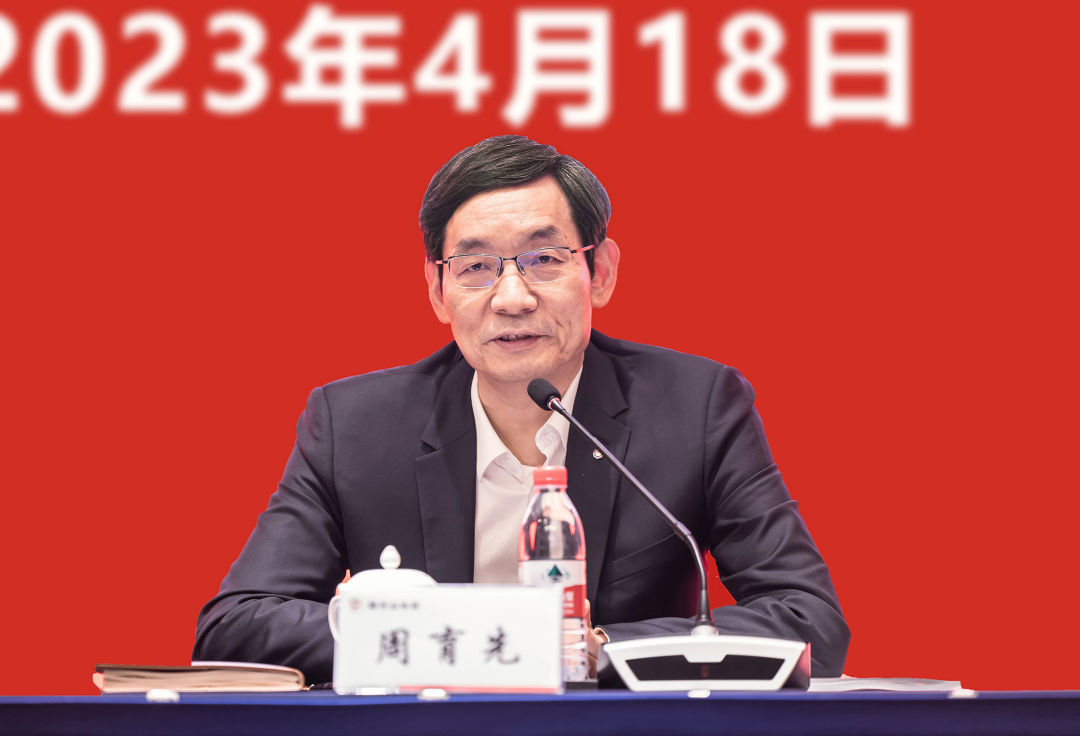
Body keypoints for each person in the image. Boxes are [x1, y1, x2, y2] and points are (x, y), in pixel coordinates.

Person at [193, 135, 849, 684]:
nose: (512, 298)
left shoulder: (695, 407)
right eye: (476, 266)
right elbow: (235, 626)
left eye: (544, 259)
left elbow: (809, 621)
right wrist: (452, 637)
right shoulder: (356, 424)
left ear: (600, 273)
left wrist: (594, 650)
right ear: (438, 291)